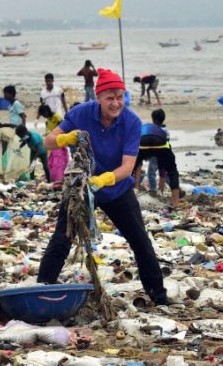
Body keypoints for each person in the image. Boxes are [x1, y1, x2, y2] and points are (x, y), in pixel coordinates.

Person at [39, 68, 169, 305]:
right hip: (82, 188)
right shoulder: (81, 113)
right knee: (62, 238)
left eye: (120, 97)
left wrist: (101, 180)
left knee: (140, 241)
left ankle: (159, 296)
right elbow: (47, 141)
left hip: (116, 189)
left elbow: (127, 167)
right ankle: (41, 288)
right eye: (110, 97)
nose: (115, 103)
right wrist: (64, 139)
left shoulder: (131, 122)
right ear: (98, 97)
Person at [134, 109, 181, 207]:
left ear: (152, 119)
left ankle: (135, 190)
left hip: (142, 143)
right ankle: (175, 201)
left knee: (134, 166)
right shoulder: (164, 130)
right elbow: (166, 141)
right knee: (172, 171)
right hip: (160, 144)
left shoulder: (144, 127)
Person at [143, 108, 170, 193]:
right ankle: (172, 187)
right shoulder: (166, 130)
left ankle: (153, 189)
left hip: (156, 155)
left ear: (155, 120)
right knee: (164, 174)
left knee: (151, 173)